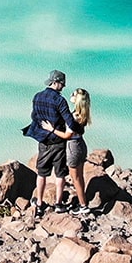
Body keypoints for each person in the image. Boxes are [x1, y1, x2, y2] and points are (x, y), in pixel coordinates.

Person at [25, 70, 80, 216]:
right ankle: (58, 203)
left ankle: (39, 202)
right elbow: (69, 121)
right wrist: (79, 126)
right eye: (62, 84)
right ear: (56, 82)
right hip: (58, 141)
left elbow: (34, 116)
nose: (62, 87)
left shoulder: (37, 97)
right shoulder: (60, 100)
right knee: (60, 173)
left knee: (41, 173)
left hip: (44, 140)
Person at [42, 87, 92, 216]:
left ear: (78, 99)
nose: (71, 95)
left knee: (75, 178)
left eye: (74, 94)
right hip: (81, 144)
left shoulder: (74, 116)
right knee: (80, 177)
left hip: (72, 146)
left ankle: (83, 206)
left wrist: (51, 129)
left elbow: (66, 136)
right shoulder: (82, 114)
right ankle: (83, 202)